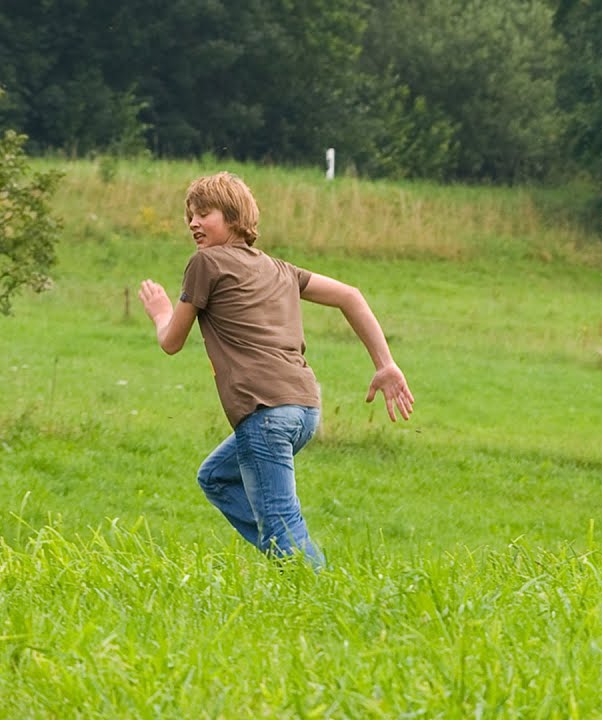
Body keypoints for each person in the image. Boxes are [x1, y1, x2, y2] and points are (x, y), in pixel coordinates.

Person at [137, 171, 414, 568]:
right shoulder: (281, 269)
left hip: (264, 413)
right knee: (215, 477)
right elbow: (350, 296)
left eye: (204, 213)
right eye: (190, 216)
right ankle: (285, 550)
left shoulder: (206, 263)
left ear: (233, 216)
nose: (194, 223)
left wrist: (161, 311)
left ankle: (315, 585)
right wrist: (384, 363)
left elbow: (172, 341)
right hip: (303, 409)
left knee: (283, 523)